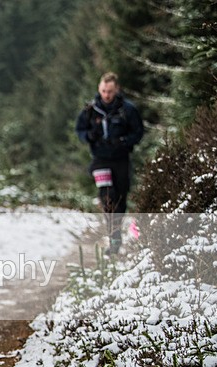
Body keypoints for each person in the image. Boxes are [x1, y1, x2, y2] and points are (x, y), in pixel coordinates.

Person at [76, 72, 144, 255]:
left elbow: (138, 132)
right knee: (108, 198)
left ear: (116, 90)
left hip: (121, 159)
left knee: (120, 199)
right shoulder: (91, 110)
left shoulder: (127, 110)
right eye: (104, 91)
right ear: (99, 89)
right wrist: (89, 136)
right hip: (100, 160)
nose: (107, 95)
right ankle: (113, 238)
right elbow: (80, 129)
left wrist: (123, 141)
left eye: (110, 91)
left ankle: (117, 234)